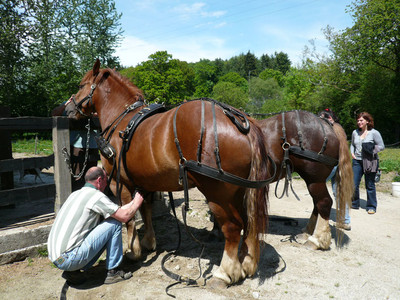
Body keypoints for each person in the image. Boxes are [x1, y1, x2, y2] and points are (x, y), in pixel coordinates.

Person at [47, 166, 144, 285]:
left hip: (56, 258)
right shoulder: (96, 196)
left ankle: (72, 272)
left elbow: (116, 211)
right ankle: (113, 272)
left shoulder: (75, 194)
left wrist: (132, 202)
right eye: (106, 180)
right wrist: (138, 203)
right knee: (114, 224)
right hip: (70, 258)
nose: (106, 184)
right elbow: (123, 217)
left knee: (108, 221)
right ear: (99, 180)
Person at [51, 96, 100, 191]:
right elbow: (54, 114)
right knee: (77, 176)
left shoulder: (93, 104)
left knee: (92, 176)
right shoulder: (70, 104)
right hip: (76, 146)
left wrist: (94, 114)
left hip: (93, 145)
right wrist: (65, 105)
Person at [319, 109, 351, 230]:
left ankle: (321, 218)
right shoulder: (338, 129)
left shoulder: (333, 129)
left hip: (333, 164)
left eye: (325, 117)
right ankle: (345, 220)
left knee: (319, 187)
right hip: (339, 164)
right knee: (339, 192)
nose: (323, 120)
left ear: (331, 118)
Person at [350, 112, 385, 214]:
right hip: (357, 161)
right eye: (358, 120)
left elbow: (382, 146)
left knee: (369, 184)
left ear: (368, 121)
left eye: (361, 120)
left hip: (370, 161)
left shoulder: (374, 133)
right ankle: (354, 203)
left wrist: (371, 150)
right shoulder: (355, 132)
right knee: (354, 183)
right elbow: (352, 144)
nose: (359, 122)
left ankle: (371, 206)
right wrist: (352, 152)